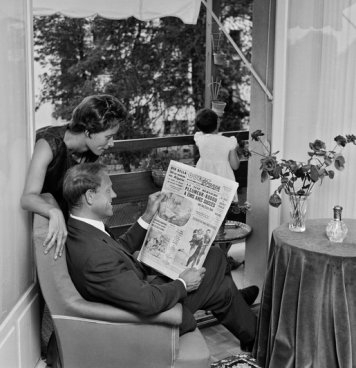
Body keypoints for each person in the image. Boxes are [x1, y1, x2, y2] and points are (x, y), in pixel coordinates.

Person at [63, 162, 259, 351]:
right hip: (149, 318)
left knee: (221, 283)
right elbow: (148, 301)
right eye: (108, 190)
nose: (114, 194)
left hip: (138, 290)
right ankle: (243, 311)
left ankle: (250, 329)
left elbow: (118, 249)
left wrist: (148, 216)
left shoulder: (81, 230)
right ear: (90, 196)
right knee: (216, 257)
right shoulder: (96, 257)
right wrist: (183, 283)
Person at [20, 94, 127, 259]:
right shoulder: (48, 144)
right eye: (108, 137)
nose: (112, 143)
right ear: (88, 131)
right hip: (36, 220)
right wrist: (54, 211)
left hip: (65, 218)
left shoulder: (92, 151)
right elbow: (27, 198)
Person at [194, 108, 240, 203]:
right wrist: (234, 149)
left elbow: (204, 134)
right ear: (218, 122)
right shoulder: (229, 142)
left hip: (203, 178)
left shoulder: (199, 139)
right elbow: (235, 166)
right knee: (222, 205)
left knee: (204, 203)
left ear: (199, 127)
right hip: (223, 178)